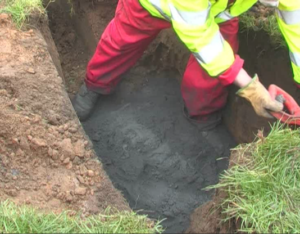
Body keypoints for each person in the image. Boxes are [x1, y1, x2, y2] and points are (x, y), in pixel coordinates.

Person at [73, 0, 300, 131]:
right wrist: (250, 87)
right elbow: (200, 37)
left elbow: (296, 23)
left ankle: (203, 116)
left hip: (217, 10)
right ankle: (95, 85)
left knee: (212, 73)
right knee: (122, 41)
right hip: (154, 4)